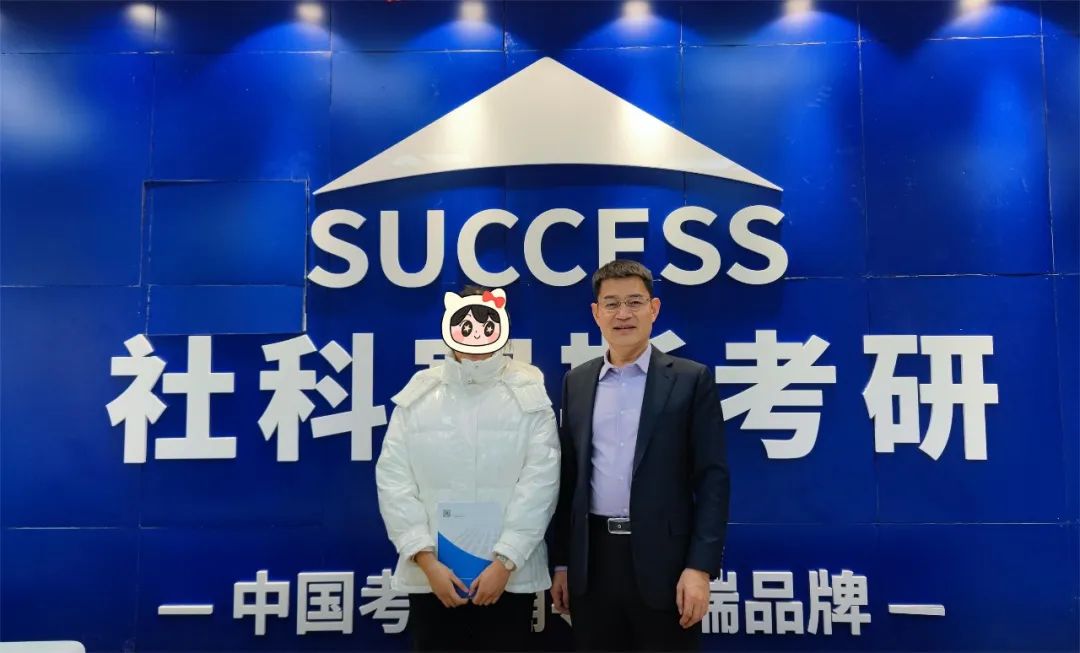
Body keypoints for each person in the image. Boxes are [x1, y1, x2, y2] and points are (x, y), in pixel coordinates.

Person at [548, 260, 730, 651]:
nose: (623, 314)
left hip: (666, 566)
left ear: (654, 308)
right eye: (611, 304)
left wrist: (699, 568)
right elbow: (568, 481)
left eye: (634, 302)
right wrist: (561, 563)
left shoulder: (689, 379)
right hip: (592, 565)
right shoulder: (576, 382)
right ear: (596, 313)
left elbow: (712, 480)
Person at [375, 287, 560, 652]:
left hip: (508, 579)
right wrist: (427, 562)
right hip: (433, 579)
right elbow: (394, 481)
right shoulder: (419, 395)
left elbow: (541, 483)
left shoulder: (530, 395)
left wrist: (505, 562)